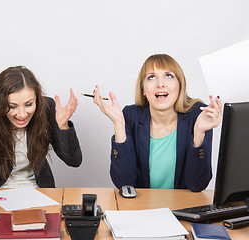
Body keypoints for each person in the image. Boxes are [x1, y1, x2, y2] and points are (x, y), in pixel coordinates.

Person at [93, 54, 222, 192]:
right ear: (143, 89)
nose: (160, 83)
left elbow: (197, 185)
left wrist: (199, 133)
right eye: (151, 77)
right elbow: (124, 183)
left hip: (184, 209)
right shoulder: (131, 116)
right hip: (144, 209)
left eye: (169, 75)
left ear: (180, 85)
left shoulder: (198, 115)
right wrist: (119, 124)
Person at [0, 66, 82, 188]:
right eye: (12, 106)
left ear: (37, 100)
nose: (22, 114)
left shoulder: (45, 109)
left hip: (37, 191)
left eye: (28, 104)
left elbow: (74, 161)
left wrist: (62, 126)